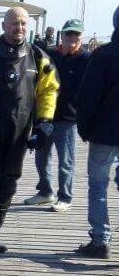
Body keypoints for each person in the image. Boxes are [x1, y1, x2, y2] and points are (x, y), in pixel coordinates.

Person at [0, 7, 59, 257]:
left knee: (8, 183)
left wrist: (44, 124)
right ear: (4, 26)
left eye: (23, 24)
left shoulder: (38, 56)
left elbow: (49, 90)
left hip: (20, 132)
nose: (19, 28)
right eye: (14, 23)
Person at [24, 19, 90, 212]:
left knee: (65, 161)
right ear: (62, 35)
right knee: (41, 157)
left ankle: (65, 197)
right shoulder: (51, 55)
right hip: (45, 116)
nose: (72, 38)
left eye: (76, 35)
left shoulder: (86, 59)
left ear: (81, 37)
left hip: (68, 119)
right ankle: (45, 192)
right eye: (69, 34)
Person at [74, 6, 119, 259]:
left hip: (104, 132)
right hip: (105, 131)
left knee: (98, 185)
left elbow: (88, 96)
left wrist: (84, 127)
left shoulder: (103, 55)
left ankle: (101, 239)